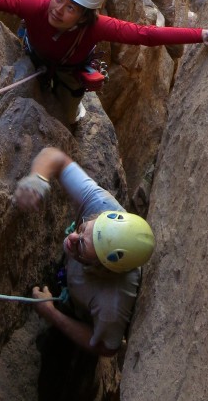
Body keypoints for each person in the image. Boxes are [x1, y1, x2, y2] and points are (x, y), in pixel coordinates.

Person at [0, 0, 208, 123]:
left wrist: (200, 34)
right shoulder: (39, 4)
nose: (58, 10)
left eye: (70, 7)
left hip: (68, 73)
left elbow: (146, 35)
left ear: (85, 15)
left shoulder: (97, 26)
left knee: (67, 115)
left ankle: (74, 113)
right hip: (32, 54)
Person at [14, 145, 154, 356]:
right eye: (82, 229)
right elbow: (56, 158)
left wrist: (52, 314)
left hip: (80, 312)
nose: (72, 237)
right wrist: (38, 180)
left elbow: (105, 347)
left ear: (103, 268)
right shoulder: (101, 206)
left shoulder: (112, 303)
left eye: (81, 245)